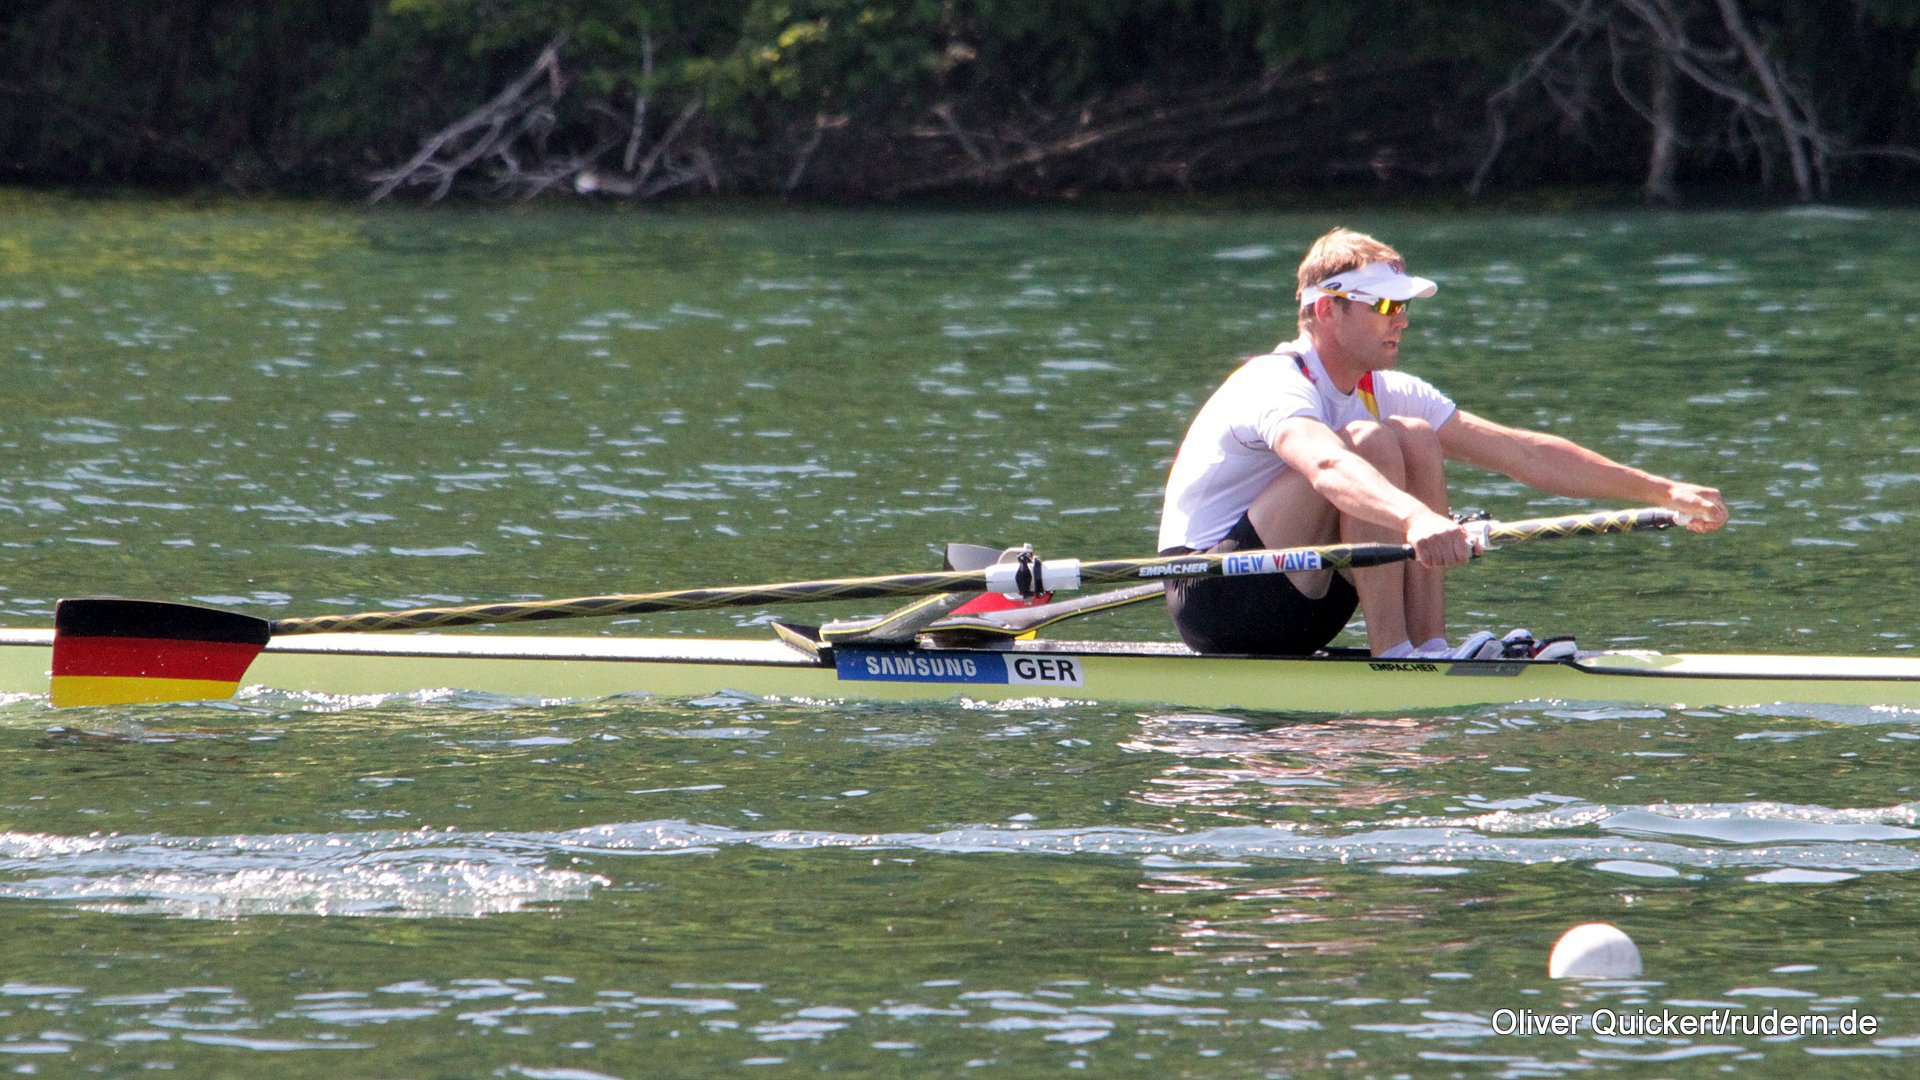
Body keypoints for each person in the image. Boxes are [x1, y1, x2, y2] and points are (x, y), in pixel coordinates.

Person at [1157, 226, 1728, 659]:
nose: (1400, 320)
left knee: (1414, 436)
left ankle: (1427, 649)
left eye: (1403, 306)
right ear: (1327, 310)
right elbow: (1326, 463)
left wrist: (1663, 490)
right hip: (1216, 596)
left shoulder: (1389, 390)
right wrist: (1415, 520)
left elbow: (1523, 452)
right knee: (1367, 441)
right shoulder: (1274, 383)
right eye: (1384, 305)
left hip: (1307, 598)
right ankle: (1394, 656)